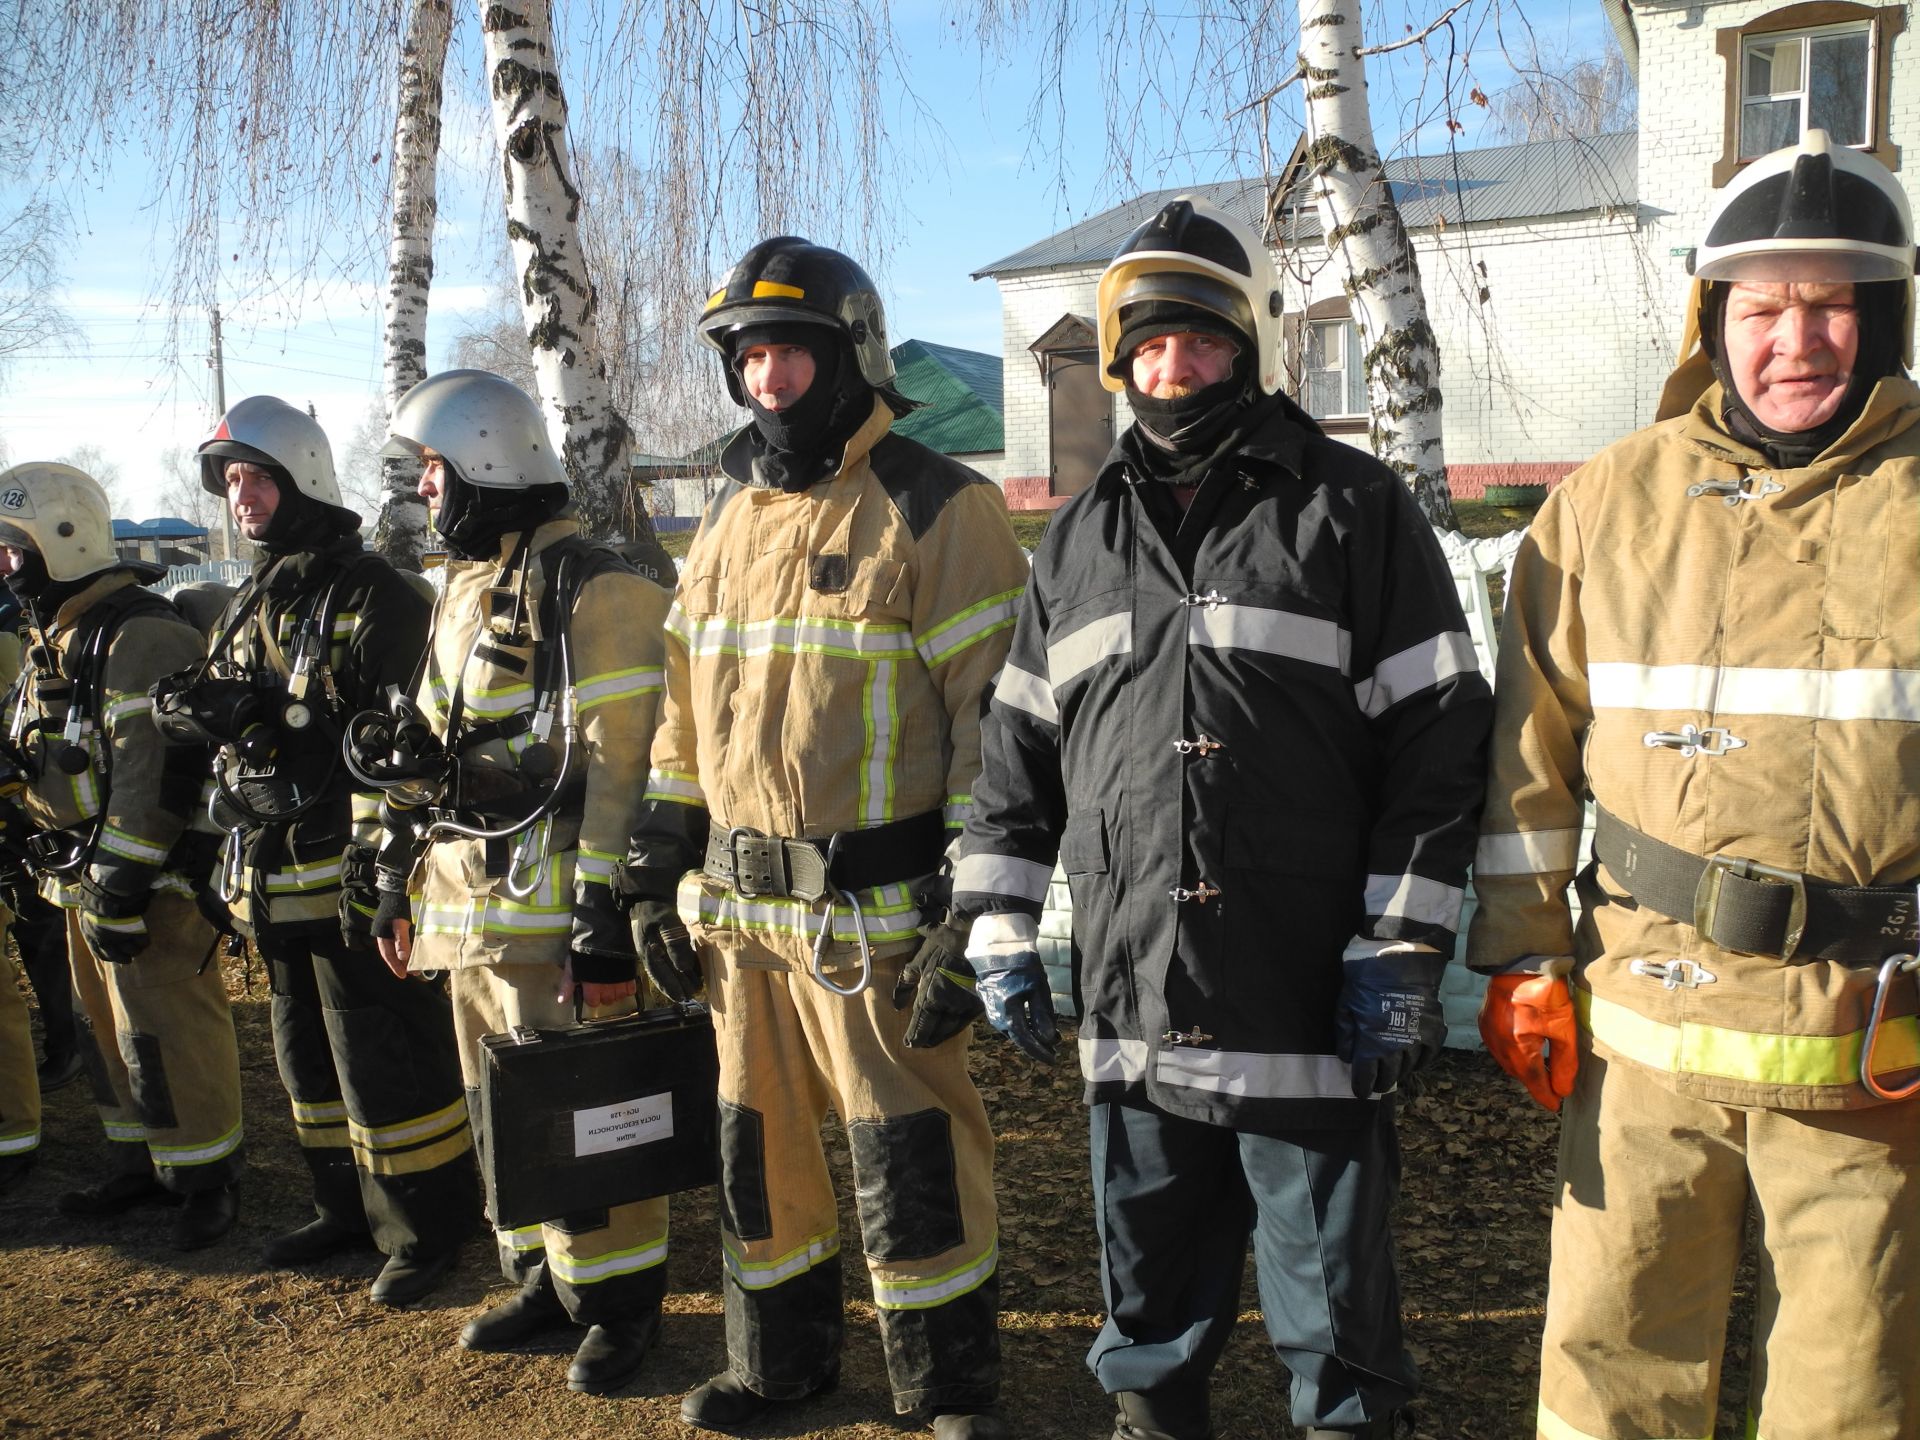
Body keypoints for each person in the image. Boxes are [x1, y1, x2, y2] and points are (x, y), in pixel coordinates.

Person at [954, 197, 1491, 1440]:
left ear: (1244, 347)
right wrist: (994, 914)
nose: (1171, 367)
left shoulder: (1348, 507)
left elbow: (1439, 733)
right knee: (1146, 1302)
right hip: (1135, 997)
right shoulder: (1079, 537)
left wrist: (1402, 942)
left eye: (1198, 340)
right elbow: (1020, 744)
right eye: (1146, 345)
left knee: (1338, 1319)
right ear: (1118, 359)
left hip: (1306, 1000)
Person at [1468, 130, 1919, 1440]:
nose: (1800, 340)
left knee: (1858, 1392)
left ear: (1881, 314)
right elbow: (1528, 754)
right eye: (1766, 307)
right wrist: (1516, 959)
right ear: (1714, 318)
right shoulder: (1613, 500)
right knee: (1611, 1368)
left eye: (1834, 304)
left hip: (1872, 1049)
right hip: (1643, 1038)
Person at [621, 237, 1028, 1439]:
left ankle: (947, 1386)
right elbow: (683, 717)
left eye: (788, 351)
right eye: (748, 355)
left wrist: (978, 910)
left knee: (909, 1150)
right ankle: (778, 1366)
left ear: (850, 352)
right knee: (759, 1149)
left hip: (877, 919)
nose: (768, 378)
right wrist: (655, 869)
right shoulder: (729, 519)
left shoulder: (942, 505)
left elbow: (993, 724)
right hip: (738, 921)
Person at [369, 369, 672, 1394]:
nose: (424, 493)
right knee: (504, 1109)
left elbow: (628, 767)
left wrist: (603, 923)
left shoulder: (602, 588)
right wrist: (393, 882)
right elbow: (428, 747)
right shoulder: (462, 590)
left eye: (434, 471)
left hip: (553, 925)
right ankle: (545, 1276)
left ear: (487, 465)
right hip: (468, 913)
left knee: (586, 1114)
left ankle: (621, 1303)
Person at [157, 395, 475, 1304]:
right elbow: (227, 703)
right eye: (228, 481)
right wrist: (201, 712)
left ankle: (425, 1228)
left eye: (254, 476)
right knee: (305, 1059)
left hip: (349, 881)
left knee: (388, 1060)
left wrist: (384, 878)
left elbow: (405, 746)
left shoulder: (377, 592)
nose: (239, 496)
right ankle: (344, 1209)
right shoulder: (259, 591)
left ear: (301, 477)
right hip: (271, 881)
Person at [0, 462, 244, 1249]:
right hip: (80, 876)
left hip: (151, 887)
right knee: (103, 1029)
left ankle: (207, 1180)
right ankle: (141, 1160)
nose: (3, 570)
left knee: (168, 1028)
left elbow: (153, 772)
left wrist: (122, 881)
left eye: (11, 552)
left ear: (61, 542)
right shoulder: (61, 633)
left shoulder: (141, 635)